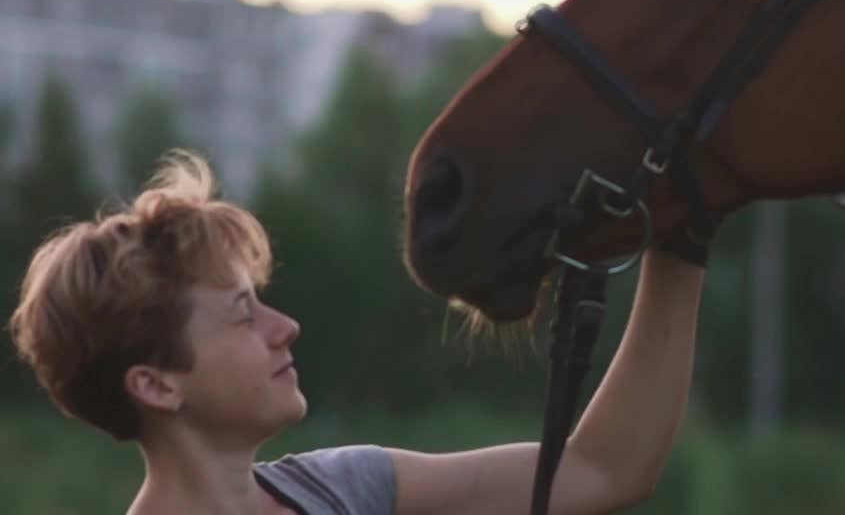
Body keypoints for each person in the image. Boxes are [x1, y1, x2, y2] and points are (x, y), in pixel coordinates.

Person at [7, 149, 709, 515]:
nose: (286, 329)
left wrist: (681, 237)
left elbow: (603, 471)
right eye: (243, 314)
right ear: (157, 384)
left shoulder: (347, 490)